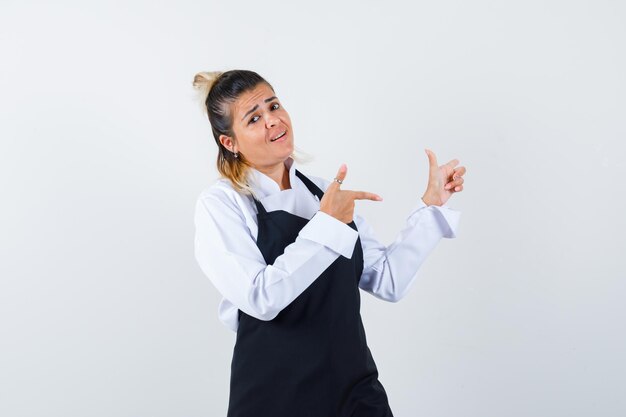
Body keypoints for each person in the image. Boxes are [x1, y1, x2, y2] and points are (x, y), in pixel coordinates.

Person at [192, 69, 466, 417]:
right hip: (274, 398)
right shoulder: (223, 204)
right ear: (229, 142)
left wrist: (432, 205)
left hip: (354, 393)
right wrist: (327, 224)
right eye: (254, 118)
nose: (273, 121)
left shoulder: (324, 193)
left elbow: (387, 279)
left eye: (274, 106)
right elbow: (261, 297)